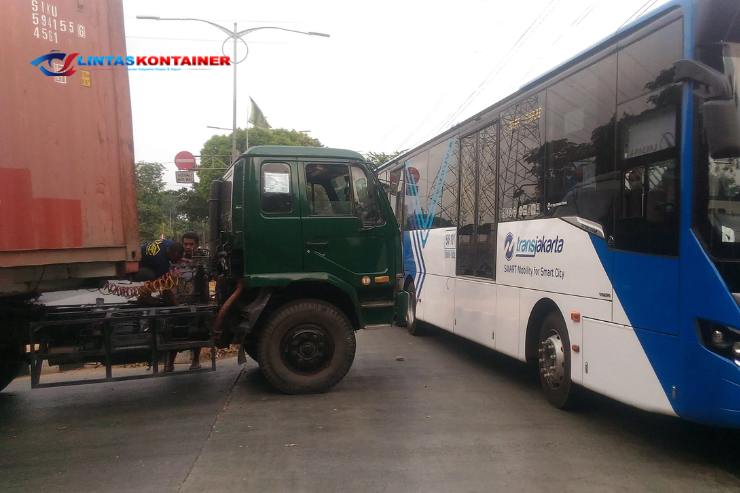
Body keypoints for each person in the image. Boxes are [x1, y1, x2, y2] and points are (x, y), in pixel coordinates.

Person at [136, 239, 184, 372]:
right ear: (171, 252)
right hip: (137, 267)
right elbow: (165, 286)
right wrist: (176, 305)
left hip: (144, 258)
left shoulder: (168, 244)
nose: (178, 259)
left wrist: (183, 260)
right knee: (155, 275)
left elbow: (175, 256)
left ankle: (146, 296)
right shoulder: (160, 260)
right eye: (177, 257)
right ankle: (144, 298)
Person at [180, 232, 202, 370]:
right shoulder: (174, 259)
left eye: (191, 244)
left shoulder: (202, 259)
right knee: (172, 330)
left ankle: (195, 360)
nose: (188, 247)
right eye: (185, 244)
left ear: (197, 245)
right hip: (177, 301)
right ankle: (169, 363)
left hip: (197, 301)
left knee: (196, 330)